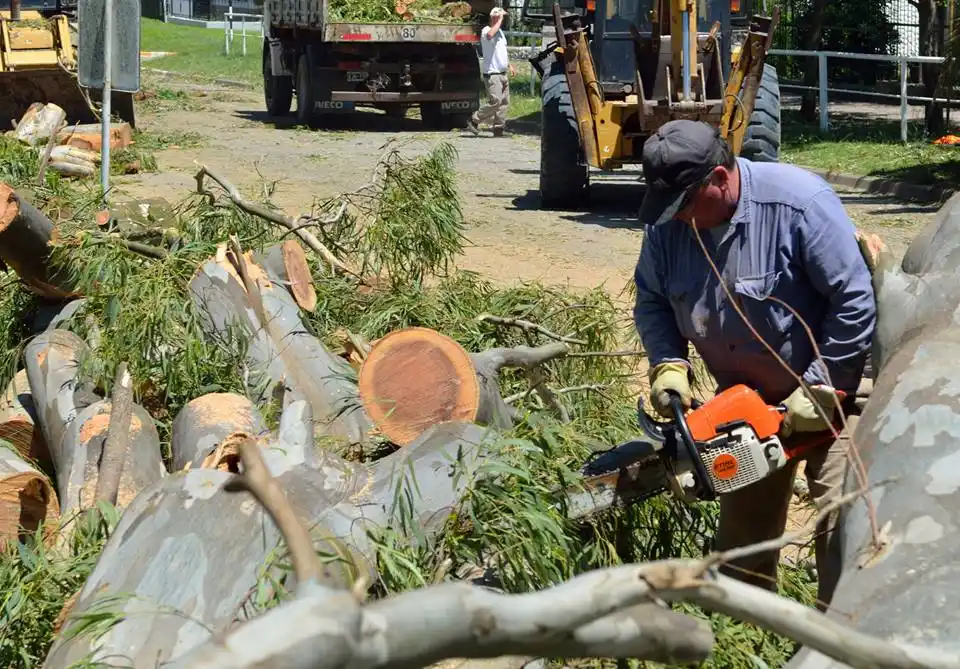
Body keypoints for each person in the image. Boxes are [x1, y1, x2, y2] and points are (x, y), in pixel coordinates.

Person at [632, 119, 877, 609]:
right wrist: (668, 363)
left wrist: (823, 385)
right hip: (747, 408)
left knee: (843, 526)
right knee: (741, 545)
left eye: (685, 204)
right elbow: (653, 300)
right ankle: (746, 632)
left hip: (836, 398)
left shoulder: (798, 204)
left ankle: (837, 635)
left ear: (720, 179)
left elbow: (853, 299)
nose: (679, 217)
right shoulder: (667, 228)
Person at [466, 6, 516, 137]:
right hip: (492, 74)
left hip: (502, 72)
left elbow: (502, 51)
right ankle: (474, 119)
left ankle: (498, 128)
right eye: (499, 17)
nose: (501, 20)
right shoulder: (486, 31)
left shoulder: (501, 33)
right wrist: (499, 19)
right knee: (496, 101)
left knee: (504, 102)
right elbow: (490, 35)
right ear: (493, 17)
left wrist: (509, 65)